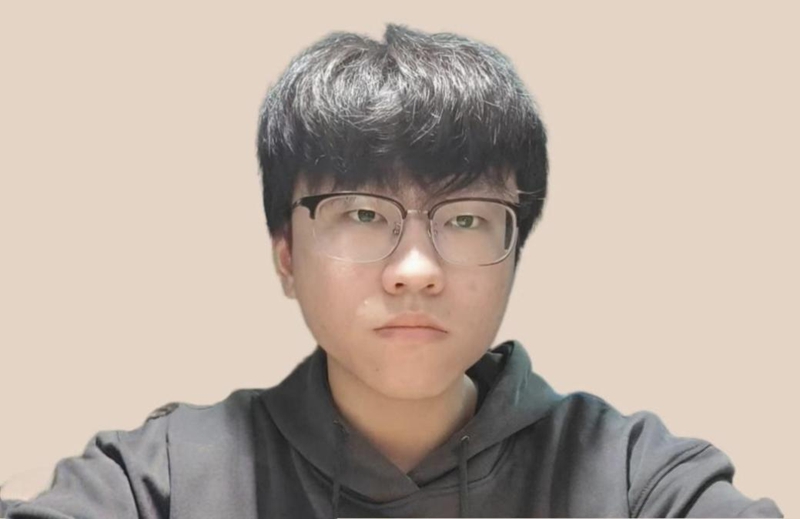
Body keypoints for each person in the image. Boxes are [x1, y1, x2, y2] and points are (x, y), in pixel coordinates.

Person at [0, 24, 782, 519]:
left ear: (515, 251)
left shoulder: (633, 477)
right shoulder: (162, 478)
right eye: (362, 214)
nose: (415, 270)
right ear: (285, 254)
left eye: (466, 219)